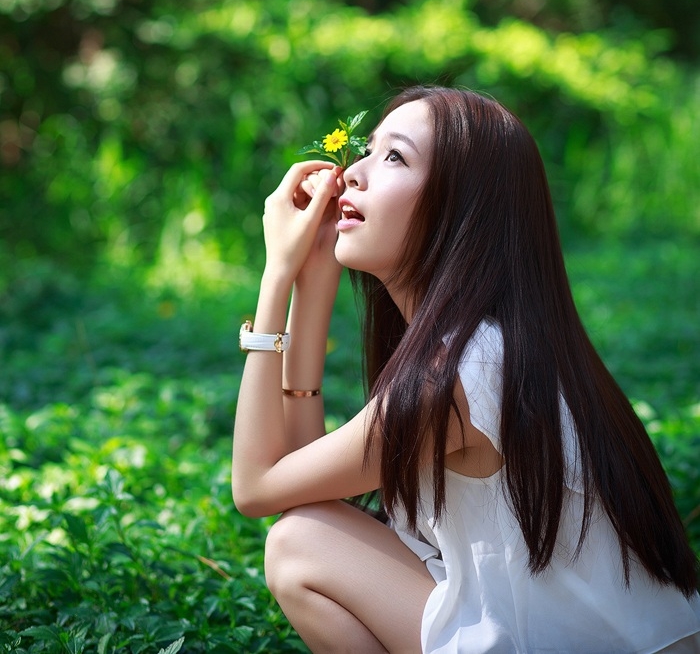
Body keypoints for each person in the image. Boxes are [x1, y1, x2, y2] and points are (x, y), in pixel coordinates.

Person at [231, 85, 700, 654]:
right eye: (367, 150)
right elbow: (304, 490)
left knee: (296, 545)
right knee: (307, 532)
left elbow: (256, 488)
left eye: (394, 156)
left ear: (459, 208)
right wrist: (313, 280)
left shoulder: (462, 370)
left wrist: (275, 276)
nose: (352, 174)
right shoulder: (491, 344)